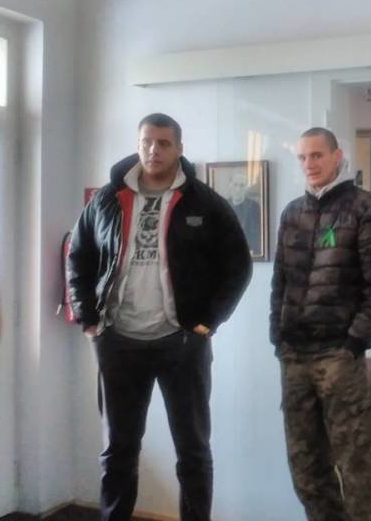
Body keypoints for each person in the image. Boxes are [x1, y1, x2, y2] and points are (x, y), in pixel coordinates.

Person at [67, 113, 252, 521]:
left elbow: (238, 266)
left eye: (164, 143)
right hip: (118, 341)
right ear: (138, 145)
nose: (154, 150)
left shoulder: (205, 202)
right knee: (118, 450)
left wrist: (208, 321)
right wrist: (88, 319)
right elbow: (78, 256)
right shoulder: (107, 199)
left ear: (179, 149)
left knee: (193, 451)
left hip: (182, 343)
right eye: (147, 142)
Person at [270, 127, 371, 521]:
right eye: (302, 157)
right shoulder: (292, 213)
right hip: (295, 357)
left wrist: (353, 344)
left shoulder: (366, 209)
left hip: (338, 357)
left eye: (317, 155)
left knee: (356, 467)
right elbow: (280, 283)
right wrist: (278, 335)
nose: (309, 164)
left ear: (337, 156)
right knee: (306, 470)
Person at [227, 171, 261, 254]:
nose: (238, 189)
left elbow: (256, 233)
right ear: (230, 186)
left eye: (242, 186)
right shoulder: (222, 205)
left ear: (246, 188)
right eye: (235, 185)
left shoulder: (253, 206)